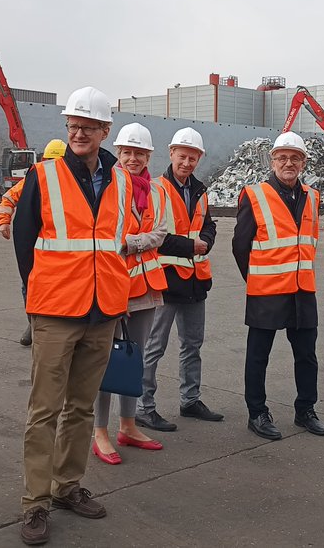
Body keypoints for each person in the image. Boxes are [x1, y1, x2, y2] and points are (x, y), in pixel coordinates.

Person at [12, 87, 132, 545]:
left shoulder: (119, 180)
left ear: (105, 131)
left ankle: (67, 487)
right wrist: (35, 299)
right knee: (44, 410)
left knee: (81, 407)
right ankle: (35, 503)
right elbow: (24, 241)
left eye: (87, 127)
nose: (78, 133)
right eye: (72, 126)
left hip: (103, 311)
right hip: (56, 311)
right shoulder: (41, 176)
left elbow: (116, 241)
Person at [231, 132, 324, 441]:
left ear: (303, 163)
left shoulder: (312, 196)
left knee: (307, 355)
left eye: (295, 158)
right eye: (282, 157)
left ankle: (305, 410)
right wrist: (257, 277)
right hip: (267, 292)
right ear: (272, 161)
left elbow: (310, 240)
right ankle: (257, 412)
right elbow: (239, 246)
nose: (288, 163)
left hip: (302, 290)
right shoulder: (254, 194)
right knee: (259, 355)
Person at [91, 122, 168, 465]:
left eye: (140, 153)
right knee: (105, 363)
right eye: (127, 152)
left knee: (131, 360)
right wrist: (136, 242)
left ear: (149, 155)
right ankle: (100, 432)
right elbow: (106, 236)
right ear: (118, 154)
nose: (133, 158)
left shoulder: (157, 191)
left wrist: (132, 242)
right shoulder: (106, 187)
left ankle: (128, 426)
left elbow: (162, 232)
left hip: (147, 288)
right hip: (112, 285)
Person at [135, 127, 222, 432]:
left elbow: (207, 225)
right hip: (166, 281)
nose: (187, 162)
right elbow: (152, 235)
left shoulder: (200, 190)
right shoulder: (156, 188)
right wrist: (190, 246)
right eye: (182, 156)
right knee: (153, 347)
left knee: (192, 345)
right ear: (171, 154)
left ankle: (190, 400)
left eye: (193, 158)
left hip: (195, 281)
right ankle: (144, 407)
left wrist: (206, 242)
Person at [0, 138, 67, 348]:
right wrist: (4, 222)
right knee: (29, 287)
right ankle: (34, 324)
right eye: (49, 160)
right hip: (37, 249)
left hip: (61, 254)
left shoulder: (74, 182)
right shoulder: (35, 178)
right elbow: (9, 198)